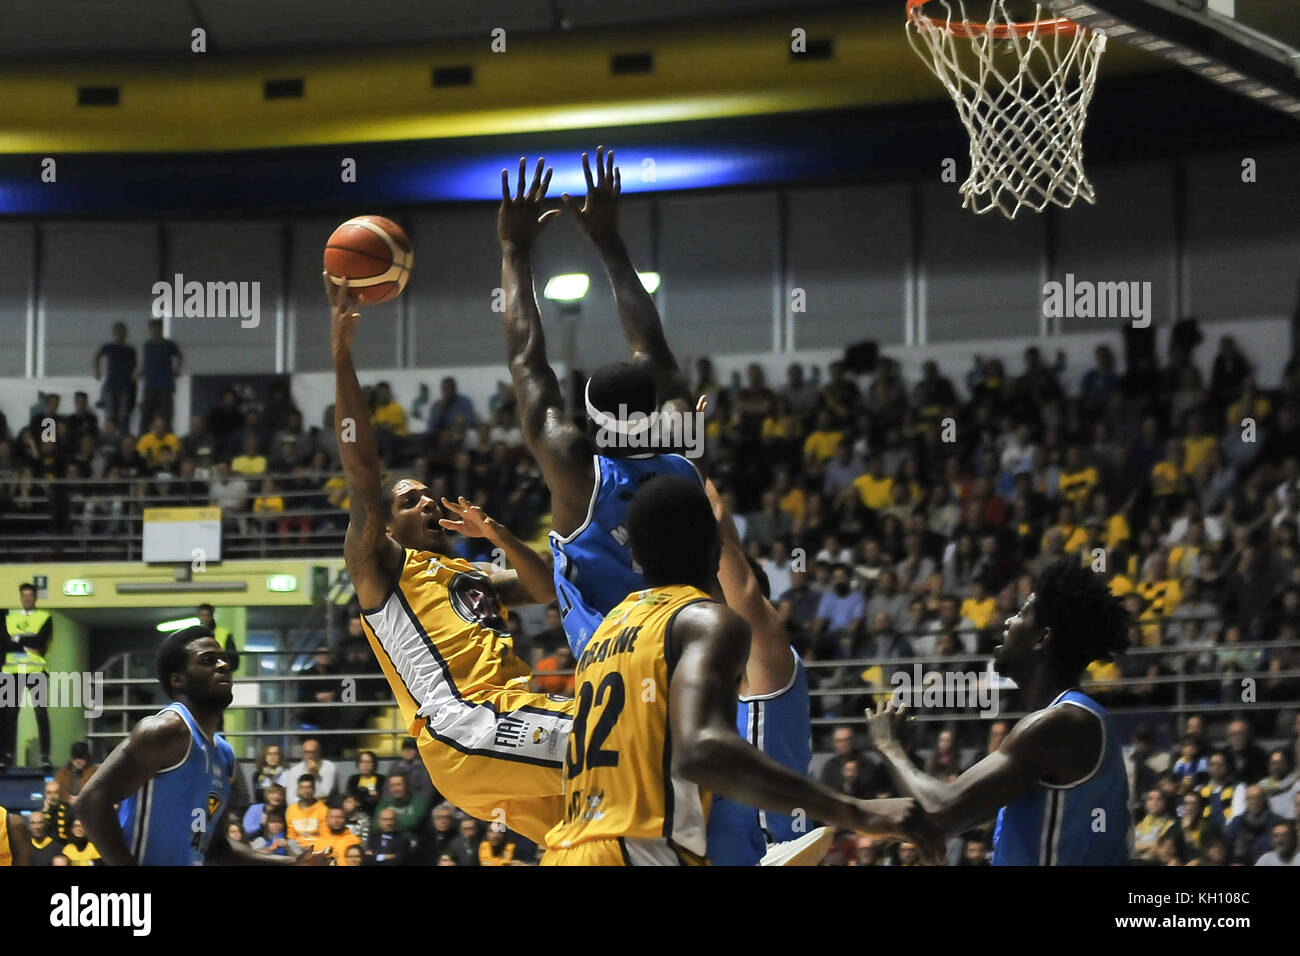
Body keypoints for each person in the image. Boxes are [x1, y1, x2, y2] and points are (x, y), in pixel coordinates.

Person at [542, 476, 938, 865]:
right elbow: (701, 752)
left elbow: (743, 589)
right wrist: (857, 812)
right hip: (650, 851)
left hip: (576, 847)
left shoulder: (612, 634)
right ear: (713, 551)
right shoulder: (697, 629)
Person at [328, 272, 572, 845]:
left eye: (427, 495)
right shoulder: (380, 568)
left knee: (597, 839)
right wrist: (342, 356)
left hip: (509, 720)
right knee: (625, 736)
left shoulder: (473, 571)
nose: (427, 501)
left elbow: (546, 591)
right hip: (468, 722)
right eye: (410, 500)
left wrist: (506, 539)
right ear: (384, 523)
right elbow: (362, 475)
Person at [498, 153, 703, 656]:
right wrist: (609, 241)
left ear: (587, 416)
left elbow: (528, 361)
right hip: (686, 645)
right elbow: (652, 350)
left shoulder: (575, 469)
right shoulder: (683, 450)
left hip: (610, 661)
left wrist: (514, 250)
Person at [866, 558, 1134, 865]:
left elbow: (939, 813)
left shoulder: (1064, 722)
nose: (1008, 621)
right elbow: (945, 819)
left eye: (1021, 614)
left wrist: (889, 746)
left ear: (1042, 638)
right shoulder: (1063, 721)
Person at [77, 625, 328, 865]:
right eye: (208, 660)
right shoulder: (165, 730)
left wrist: (291, 863)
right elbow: (90, 801)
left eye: (223, 659)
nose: (224, 665)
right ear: (178, 680)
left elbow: (217, 849)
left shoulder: (224, 755)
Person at [700, 479, 825, 866]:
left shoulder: (768, 664)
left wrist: (690, 462)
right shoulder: (712, 689)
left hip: (771, 854)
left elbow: (730, 559)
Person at [1, 581, 54, 771]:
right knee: (9, 714)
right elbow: (4, 644)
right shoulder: (10, 618)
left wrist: (16, 639)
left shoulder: (44, 617)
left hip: (35, 670)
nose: (27, 599)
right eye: (24, 596)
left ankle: (45, 756)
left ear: (35, 598)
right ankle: (6, 755)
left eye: (30, 596)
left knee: (41, 713)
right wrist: (26, 642)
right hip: (11, 671)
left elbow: (41, 641)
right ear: (20, 597)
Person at [138, 318, 182, 431]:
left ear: (161, 329)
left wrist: (177, 369)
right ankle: (142, 440)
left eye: (156, 328)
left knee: (166, 415)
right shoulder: (148, 345)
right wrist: (141, 372)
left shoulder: (169, 344)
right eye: (152, 329)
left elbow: (179, 356)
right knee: (146, 414)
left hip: (165, 385)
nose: (154, 331)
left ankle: (169, 439)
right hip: (150, 384)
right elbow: (145, 361)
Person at [94, 322, 137, 432]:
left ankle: (123, 439)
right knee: (110, 415)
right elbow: (97, 356)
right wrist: (97, 370)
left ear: (125, 334)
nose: (120, 334)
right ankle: (109, 437)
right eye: (118, 332)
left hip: (125, 386)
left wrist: (134, 374)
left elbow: (135, 365)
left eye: (122, 332)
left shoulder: (129, 349)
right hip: (111, 385)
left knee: (123, 416)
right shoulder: (109, 347)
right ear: (114, 333)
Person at [285, 774, 329, 850]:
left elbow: (325, 836)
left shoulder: (324, 809)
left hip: (317, 848)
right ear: (298, 790)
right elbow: (291, 837)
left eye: (308, 787)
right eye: (302, 787)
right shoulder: (291, 810)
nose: (305, 791)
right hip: (297, 849)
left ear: (314, 789)